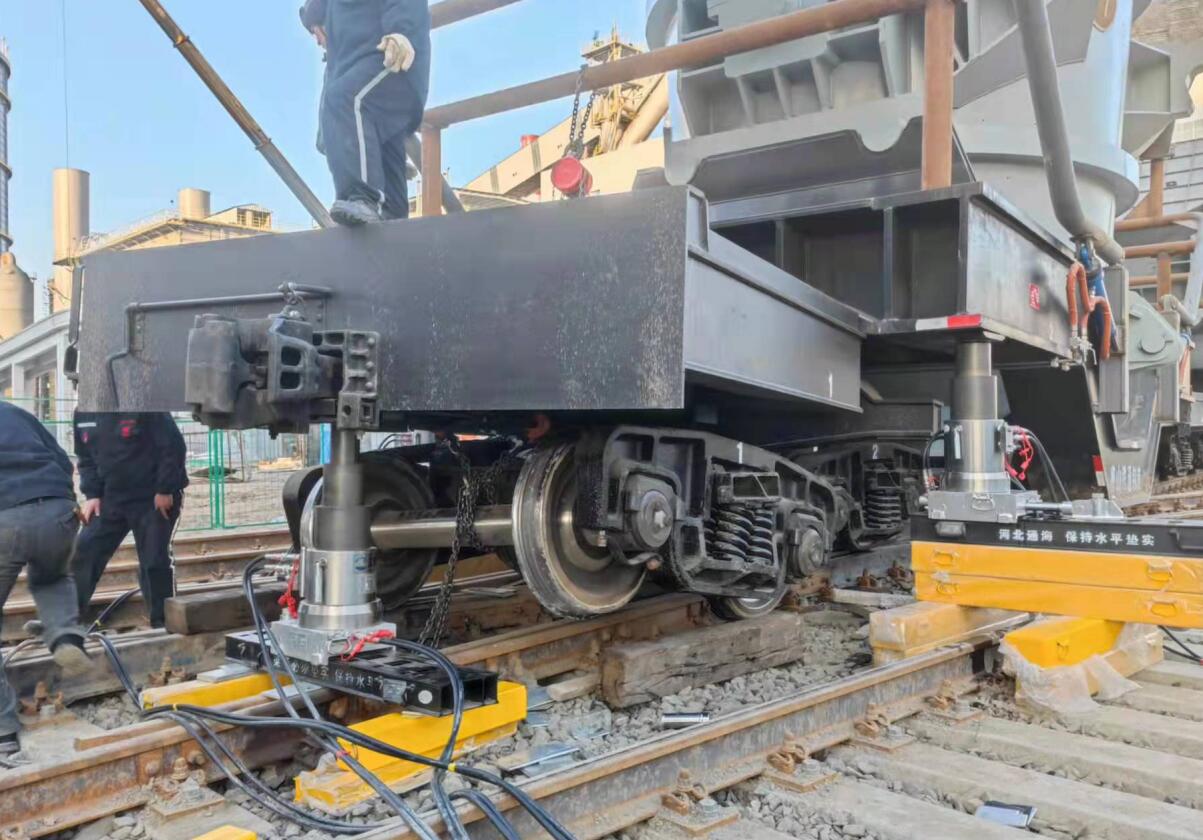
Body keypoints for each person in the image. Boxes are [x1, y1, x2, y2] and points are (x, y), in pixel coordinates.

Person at [0, 402, 90, 754]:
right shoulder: (14, 413)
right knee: (52, 577)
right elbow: (63, 461)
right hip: (57, 509)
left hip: (5, 516)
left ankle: (3, 730)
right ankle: (64, 636)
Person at [300, 0, 432, 225]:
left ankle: (363, 197)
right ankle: (392, 216)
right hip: (359, 66)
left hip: (392, 59)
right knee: (383, 142)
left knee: (347, 99)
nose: (319, 40)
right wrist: (314, 19)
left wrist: (401, 31)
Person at [72, 413, 188, 630]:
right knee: (85, 549)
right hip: (110, 497)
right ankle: (65, 619)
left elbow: (172, 448)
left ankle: (162, 623)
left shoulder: (144, 405)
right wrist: (93, 494)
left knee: (154, 560)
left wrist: (165, 488)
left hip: (152, 497)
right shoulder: (83, 413)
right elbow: (85, 458)